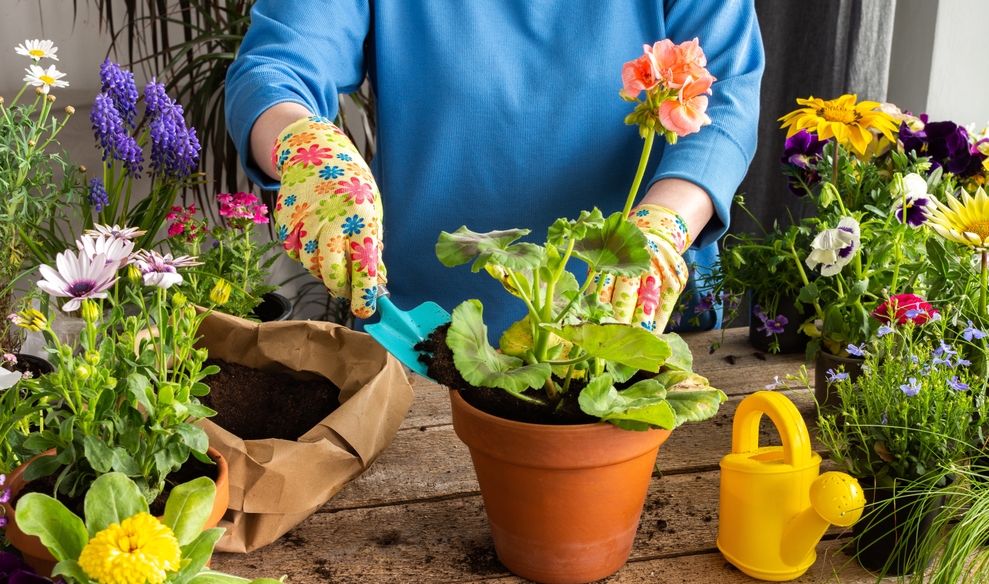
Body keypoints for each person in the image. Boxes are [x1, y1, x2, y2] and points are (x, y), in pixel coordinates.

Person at [226, 1, 763, 336]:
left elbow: (725, 91)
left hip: (635, 318)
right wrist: (304, 145)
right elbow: (279, 65)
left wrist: (668, 225)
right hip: (429, 332)